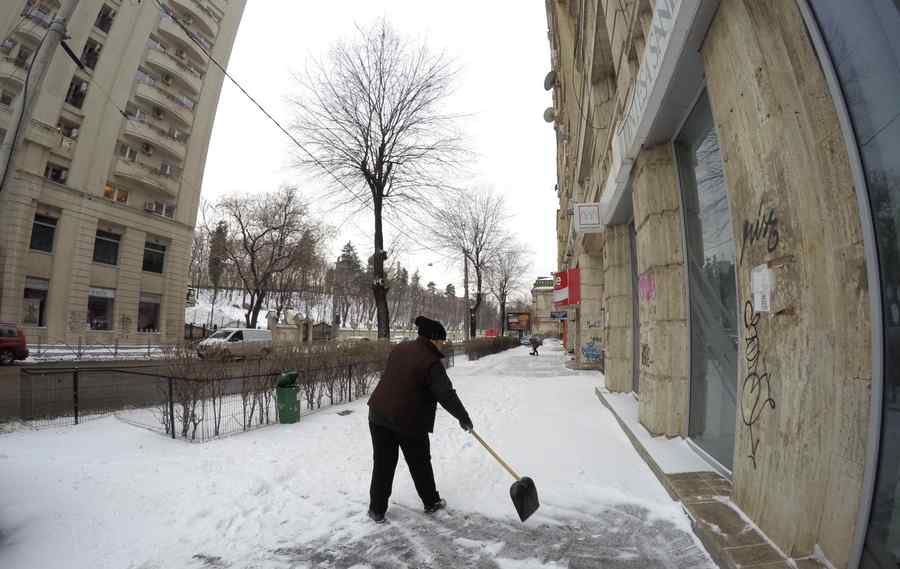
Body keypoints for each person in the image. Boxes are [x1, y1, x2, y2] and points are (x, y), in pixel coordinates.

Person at [366, 316, 473, 523]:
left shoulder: (401, 348)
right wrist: (463, 417)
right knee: (420, 462)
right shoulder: (431, 362)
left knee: (383, 464)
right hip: (408, 420)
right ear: (433, 339)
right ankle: (431, 502)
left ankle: (376, 510)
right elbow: (446, 394)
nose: (443, 344)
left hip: (378, 414)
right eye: (441, 340)